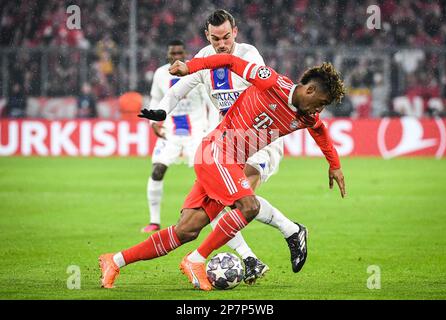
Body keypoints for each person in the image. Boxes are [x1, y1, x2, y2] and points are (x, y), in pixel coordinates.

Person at [99, 53, 346, 291]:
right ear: (310, 90)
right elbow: (229, 60)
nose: (319, 110)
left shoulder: (305, 116)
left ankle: (115, 261)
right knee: (248, 206)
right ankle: (196, 260)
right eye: (321, 103)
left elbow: (320, 131)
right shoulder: (271, 81)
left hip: (230, 163)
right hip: (217, 152)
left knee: (187, 229)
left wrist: (334, 165)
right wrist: (191, 66)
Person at [151, 9, 303, 283]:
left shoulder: (248, 54)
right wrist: (161, 110)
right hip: (228, 141)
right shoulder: (203, 58)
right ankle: (253, 256)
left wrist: (201, 63)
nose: (221, 43)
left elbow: (232, 63)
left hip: (260, 138)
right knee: (224, 201)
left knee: (240, 198)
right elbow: (178, 89)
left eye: (225, 36)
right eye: (215, 38)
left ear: (235, 31)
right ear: (207, 36)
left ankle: (289, 231)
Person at [142, 39, 214, 233]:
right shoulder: (160, 74)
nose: (176, 57)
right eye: (173, 54)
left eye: (180, 53)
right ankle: (154, 221)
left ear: (185, 54)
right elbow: (157, 99)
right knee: (157, 170)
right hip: (170, 133)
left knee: (207, 176)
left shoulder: (197, 71)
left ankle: (216, 218)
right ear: (168, 54)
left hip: (197, 132)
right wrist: (153, 122)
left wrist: (213, 128)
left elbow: (211, 100)